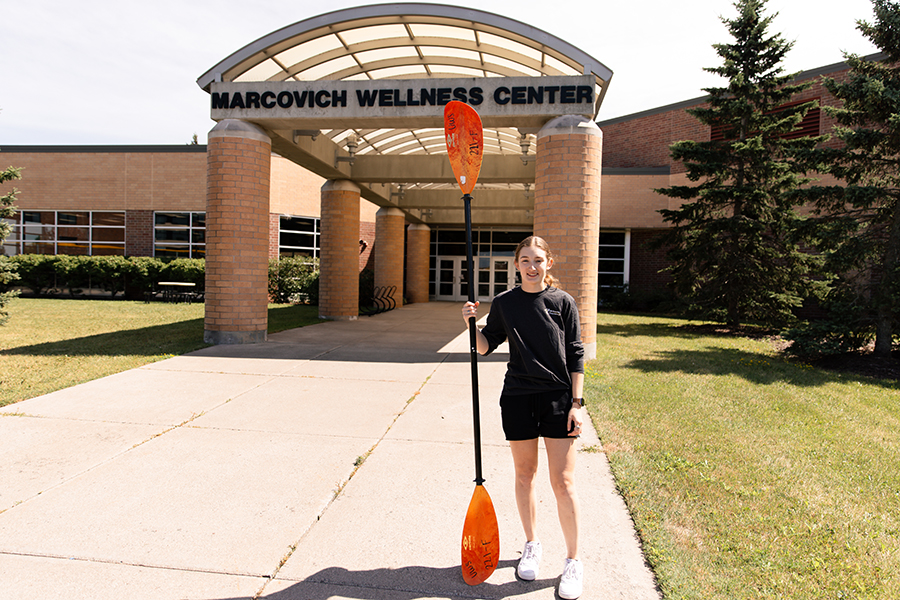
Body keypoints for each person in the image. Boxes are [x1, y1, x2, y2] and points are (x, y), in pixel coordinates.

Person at [461, 235, 585, 600]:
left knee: (563, 482)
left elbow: (576, 353)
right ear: (516, 265)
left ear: (549, 263)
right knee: (524, 475)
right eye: (525, 260)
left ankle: (573, 561)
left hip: (558, 399)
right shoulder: (505, 303)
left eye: (538, 260)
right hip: (517, 397)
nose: (532, 266)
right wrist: (471, 324)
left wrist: (577, 403)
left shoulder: (563, 302)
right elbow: (486, 346)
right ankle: (531, 544)